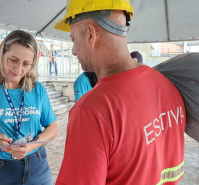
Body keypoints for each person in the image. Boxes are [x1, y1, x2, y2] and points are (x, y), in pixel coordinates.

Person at [54, 0, 186, 185]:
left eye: (73, 39)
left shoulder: (92, 110)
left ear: (91, 34)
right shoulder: (166, 84)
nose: (74, 51)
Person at [0, 30, 57, 185]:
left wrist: (33, 144)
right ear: (1, 55)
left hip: (37, 164)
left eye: (26, 64)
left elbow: (52, 126)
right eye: (13, 60)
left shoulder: (37, 89)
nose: (19, 70)